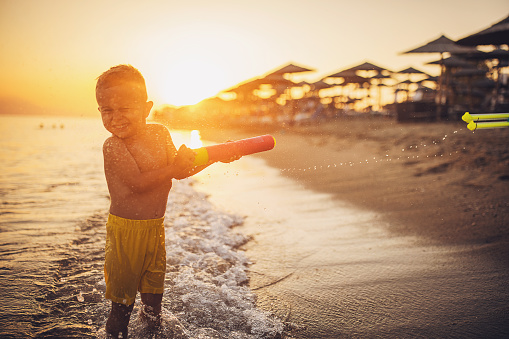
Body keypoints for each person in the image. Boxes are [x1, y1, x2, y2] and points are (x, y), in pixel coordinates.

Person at [96, 64, 236, 338]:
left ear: (146, 108)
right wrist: (174, 168)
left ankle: (152, 332)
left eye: (124, 108)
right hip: (125, 233)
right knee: (121, 308)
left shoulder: (159, 134)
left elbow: (181, 169)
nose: (116, 118)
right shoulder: (113, 146)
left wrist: (218, 155)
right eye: (106, 110)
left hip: (154, 230)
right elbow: (137, 183)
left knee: (153, 302)